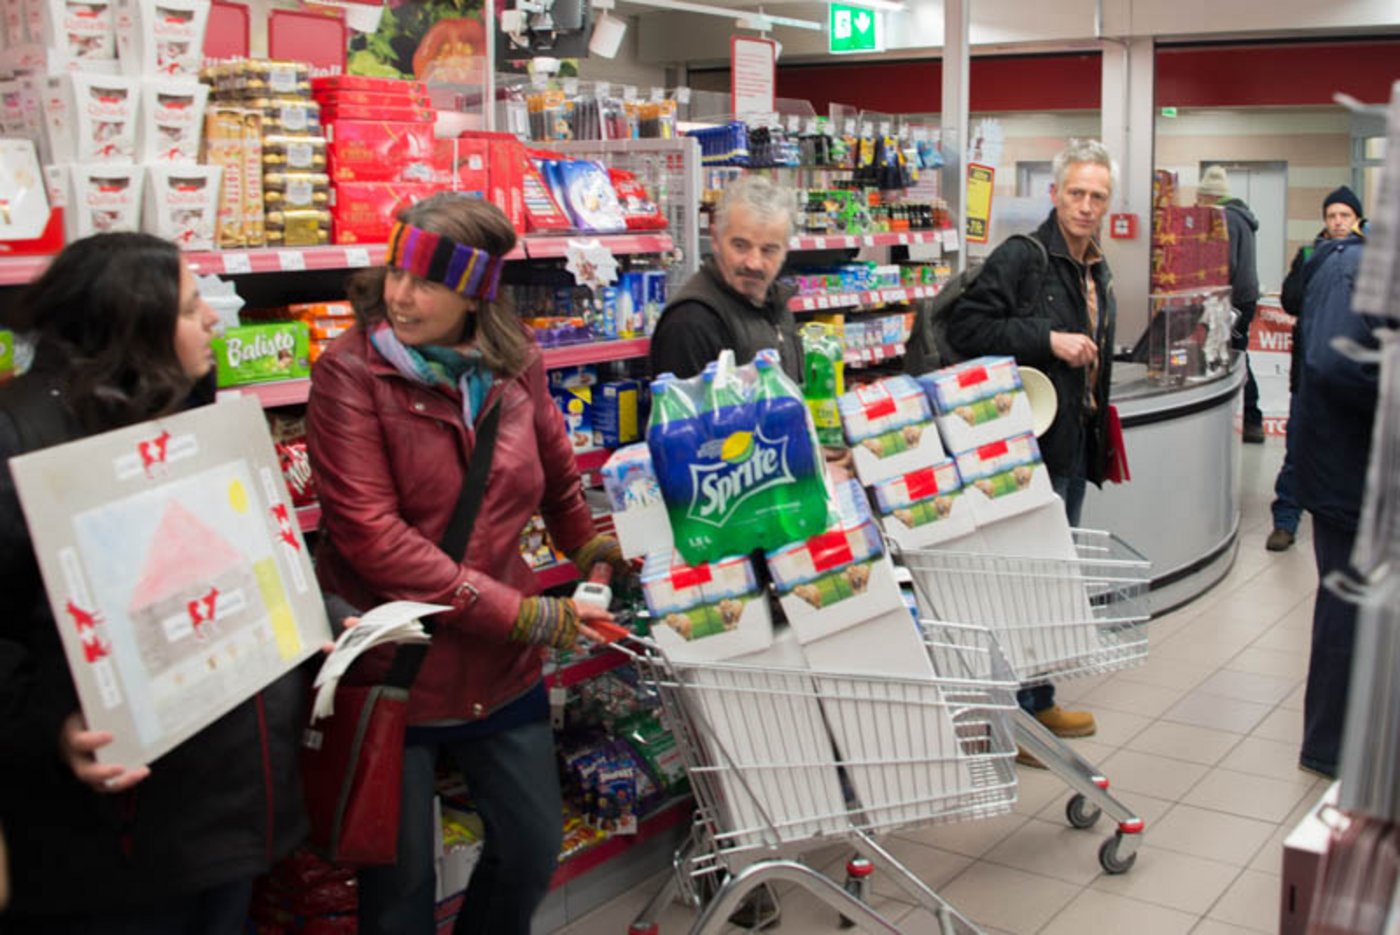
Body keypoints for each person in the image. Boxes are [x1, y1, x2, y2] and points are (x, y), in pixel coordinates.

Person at [306, 193, 630, 935]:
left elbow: (556, 478)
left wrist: (594, 549)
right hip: (395, 663)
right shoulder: (349, 373)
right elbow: (371, 536)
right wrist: (523, 612)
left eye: (426, 281)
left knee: (528, 846)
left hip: (497, 666)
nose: (400, 294)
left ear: (477, 293)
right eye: (396, 272)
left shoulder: (517, 368)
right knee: (400, 888)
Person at [0, 232, 310, 933]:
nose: (214, 320)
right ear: (130, 322)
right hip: (114, 843)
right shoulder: (22, 436)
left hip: (223, 813)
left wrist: (321, 612)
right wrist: (45, 725)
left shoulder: (182, 418)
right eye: (191, 305)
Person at [946, 139, 1118, 748]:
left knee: (1050, 583)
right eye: (1077, 193)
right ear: (1056, 193)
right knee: (1025, 582)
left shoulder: (1096, 265)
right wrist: (1050, 339)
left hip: (1071, 443)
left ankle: (1035, 704)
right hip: (1024, 450)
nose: (1086, 205)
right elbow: (967, 327)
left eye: (1098, 196)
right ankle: (1017, 714)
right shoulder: (1025, 257)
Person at [1288, 187, 1385, 778]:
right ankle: (1328, 748)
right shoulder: (1354, 270)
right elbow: (1333, 361)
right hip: (1349, 477)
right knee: (1346, 609)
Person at [1266, 186, 1366, 553]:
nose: (1338, 222)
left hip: (1353, 377)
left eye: (1345, 216)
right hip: (1308, 373)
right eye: (1332, 216)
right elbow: (1291, 300)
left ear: (1357, 219)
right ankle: (1286, 520)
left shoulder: (1369, 258)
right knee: (1298, 447)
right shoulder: (1309, 255)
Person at [651, 173, 804, 383]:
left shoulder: (777, 307)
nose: (753, 263)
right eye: (740, 246)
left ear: (786, 250)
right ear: (715, 239)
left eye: (769, 250)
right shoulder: (691, 322)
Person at [1196, 165, 1264, 443]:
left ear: (1210, 198)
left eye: (1200, 199)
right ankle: (1247, 418)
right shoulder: (1243, 218)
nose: (1198, 205)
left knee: (1233, 357)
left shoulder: (1222, 219)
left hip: (1230, 303)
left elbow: (1225, 265)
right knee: (1237, 354)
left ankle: (1250, 417)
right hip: (1245, 299)